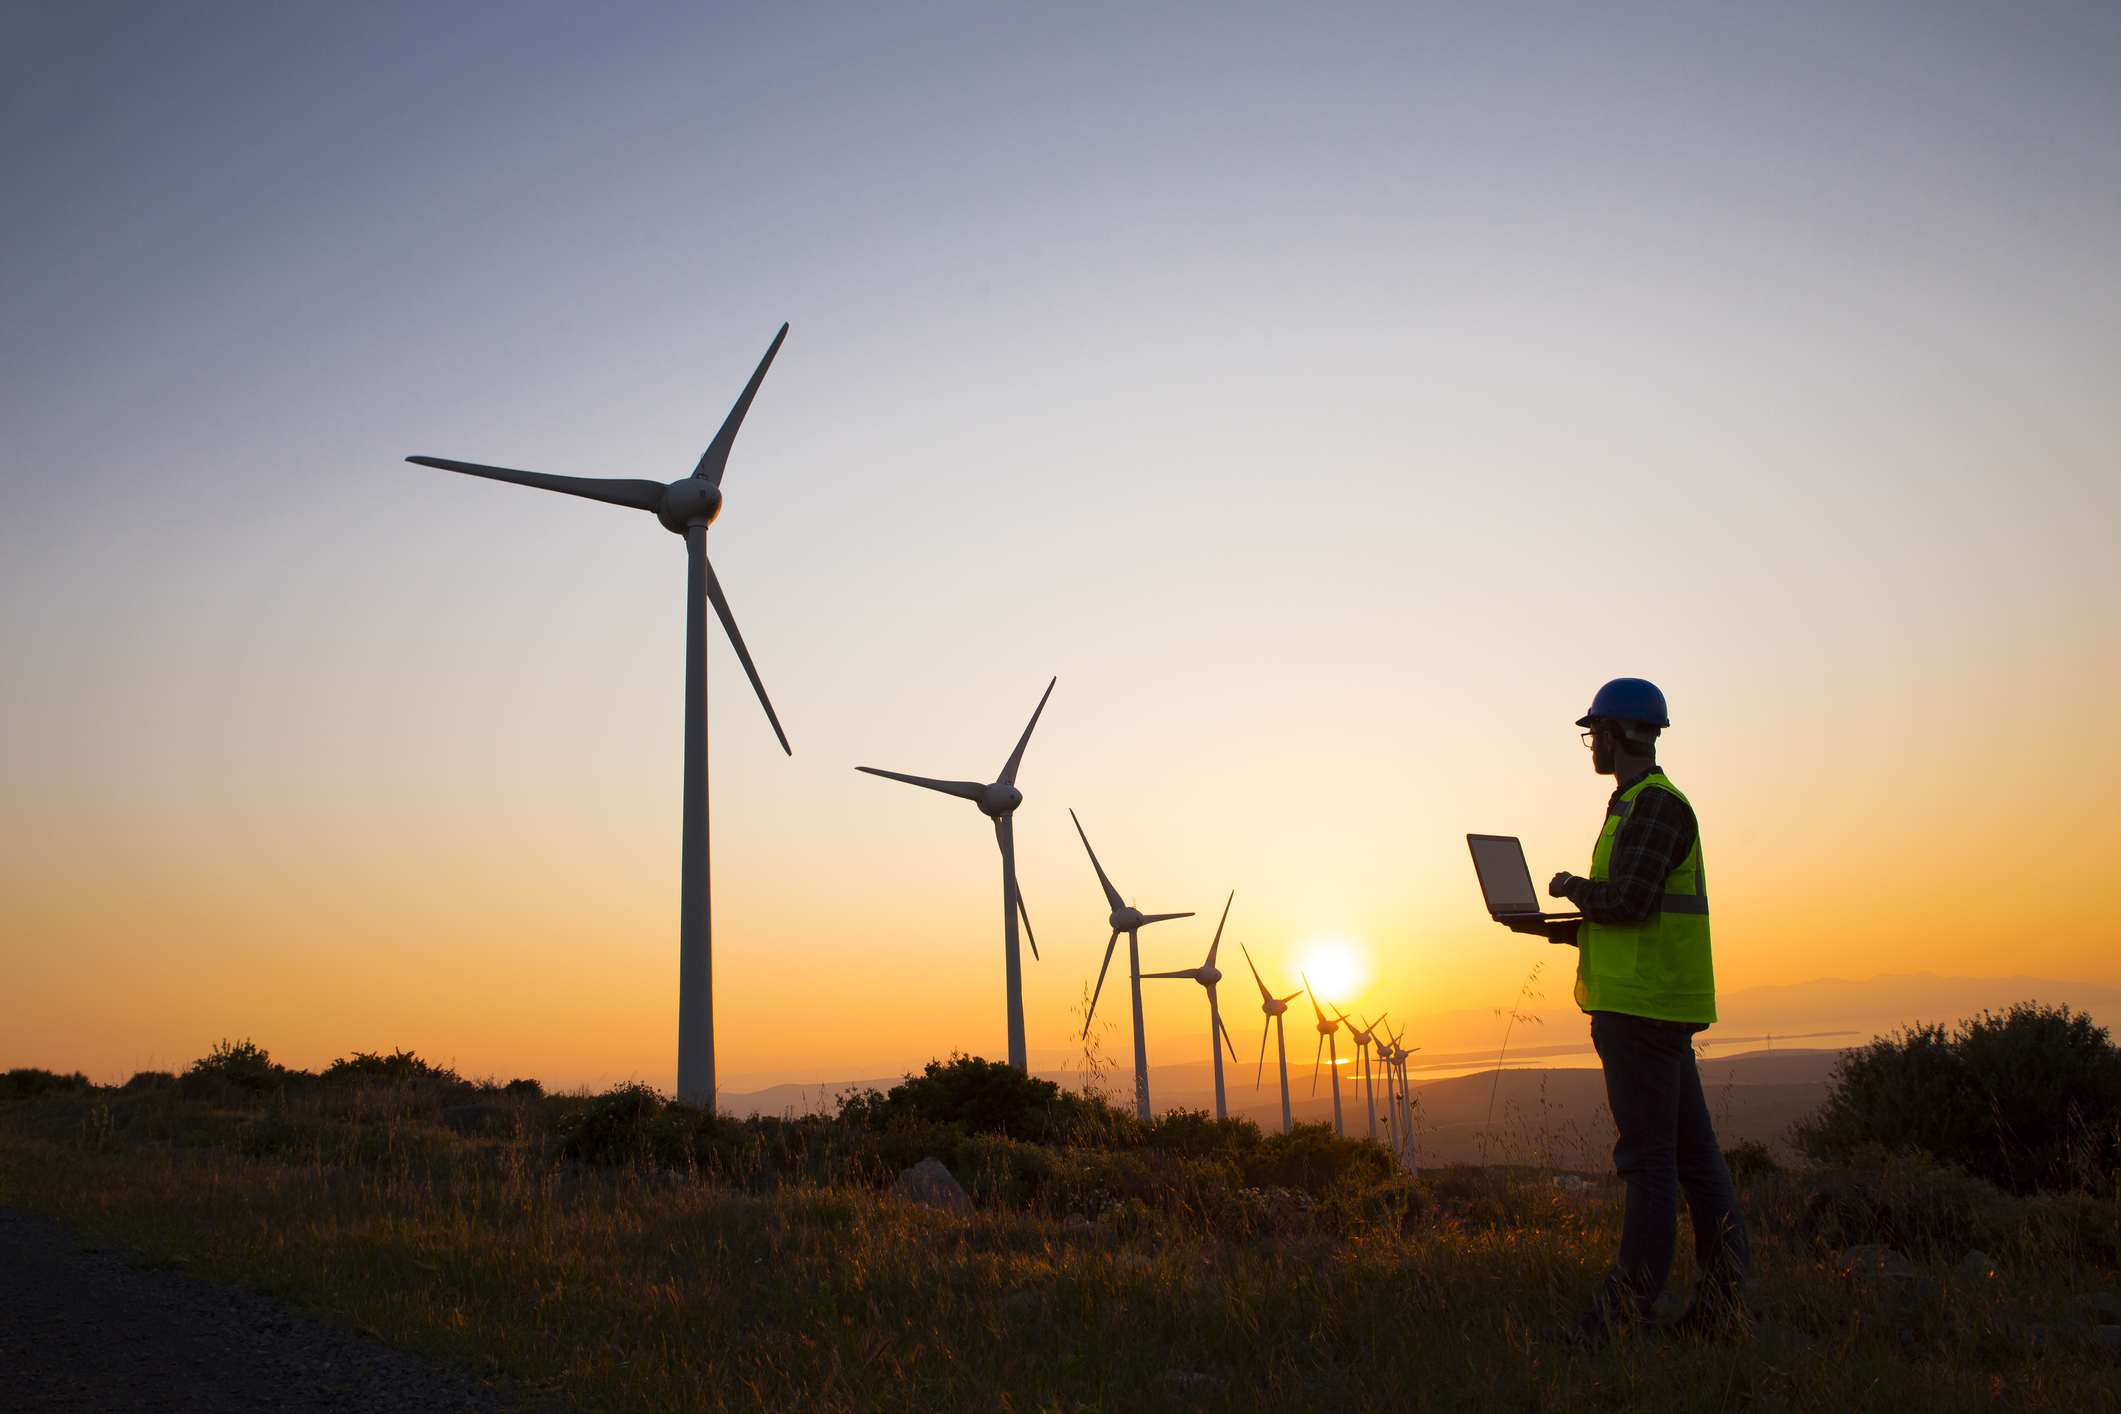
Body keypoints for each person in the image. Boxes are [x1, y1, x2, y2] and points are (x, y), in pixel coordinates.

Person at [1503, 677, 1748, 1347]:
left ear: (1615, 734)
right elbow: (1623, 918)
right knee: (1694, 1162)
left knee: (1648, 1166)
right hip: (1652, 1006)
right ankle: (1724, 1308)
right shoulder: (1636, 806)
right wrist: (1544, 927)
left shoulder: (1653, 807)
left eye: (1593, 734)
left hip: (1643, 1011)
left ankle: (1620, 1317)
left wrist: (1567, 888)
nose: (1590, 746)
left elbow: (1628, 902)